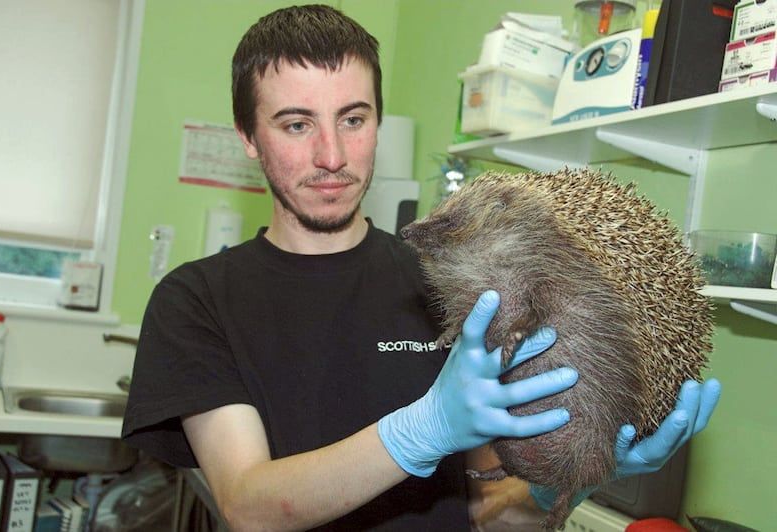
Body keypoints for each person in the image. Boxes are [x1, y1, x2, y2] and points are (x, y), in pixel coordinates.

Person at [121, 5, 721, 531]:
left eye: (353, 119)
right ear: (249, 136)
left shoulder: (452, 281)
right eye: (296, 124)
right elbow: (249, 507)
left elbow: (490, 515)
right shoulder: (195, 300)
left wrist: (565, 483)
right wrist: (419, 431)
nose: (331, 156)